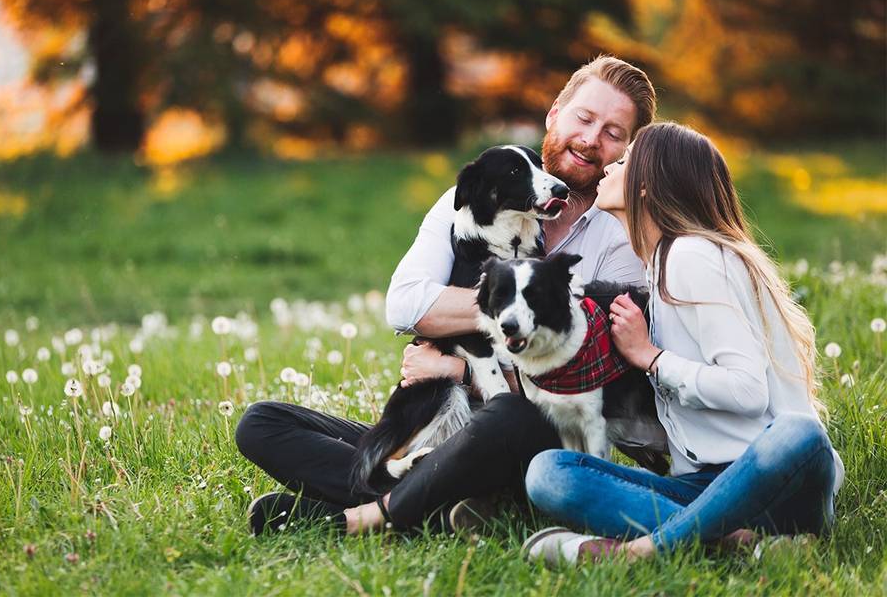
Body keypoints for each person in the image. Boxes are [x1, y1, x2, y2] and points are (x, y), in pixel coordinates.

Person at [236, 55, 657, 535]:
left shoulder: (621, 238)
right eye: (584, 118)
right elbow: (407, 305)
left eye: (613, 132)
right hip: (440, 429)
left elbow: (586, 374)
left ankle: (362, 517)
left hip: (525, 434)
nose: (590, 139)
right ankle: (434, 505)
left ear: (629, 149)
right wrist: (527, 306)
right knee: (262, 423)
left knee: (510, 416)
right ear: (555, 113)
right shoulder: (478, 194)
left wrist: (458, 366)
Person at [522, 122, 845, 565]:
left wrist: (651, 358)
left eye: (624, 160)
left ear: (646, 186)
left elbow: (748, 391)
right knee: (550, 473)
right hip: (706, 487)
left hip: (776, 480)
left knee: (800, 432)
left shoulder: (692, 256)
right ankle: (733, 543)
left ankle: (642, 551)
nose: (610, 166)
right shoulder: (656, 268)